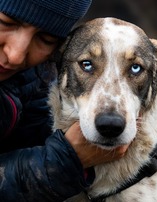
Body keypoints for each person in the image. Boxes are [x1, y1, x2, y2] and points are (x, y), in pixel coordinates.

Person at [0, 0, 129, 201]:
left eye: (45, 39)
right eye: (5, 22)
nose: (16, 55)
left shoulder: (35, 76)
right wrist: (65, 159)